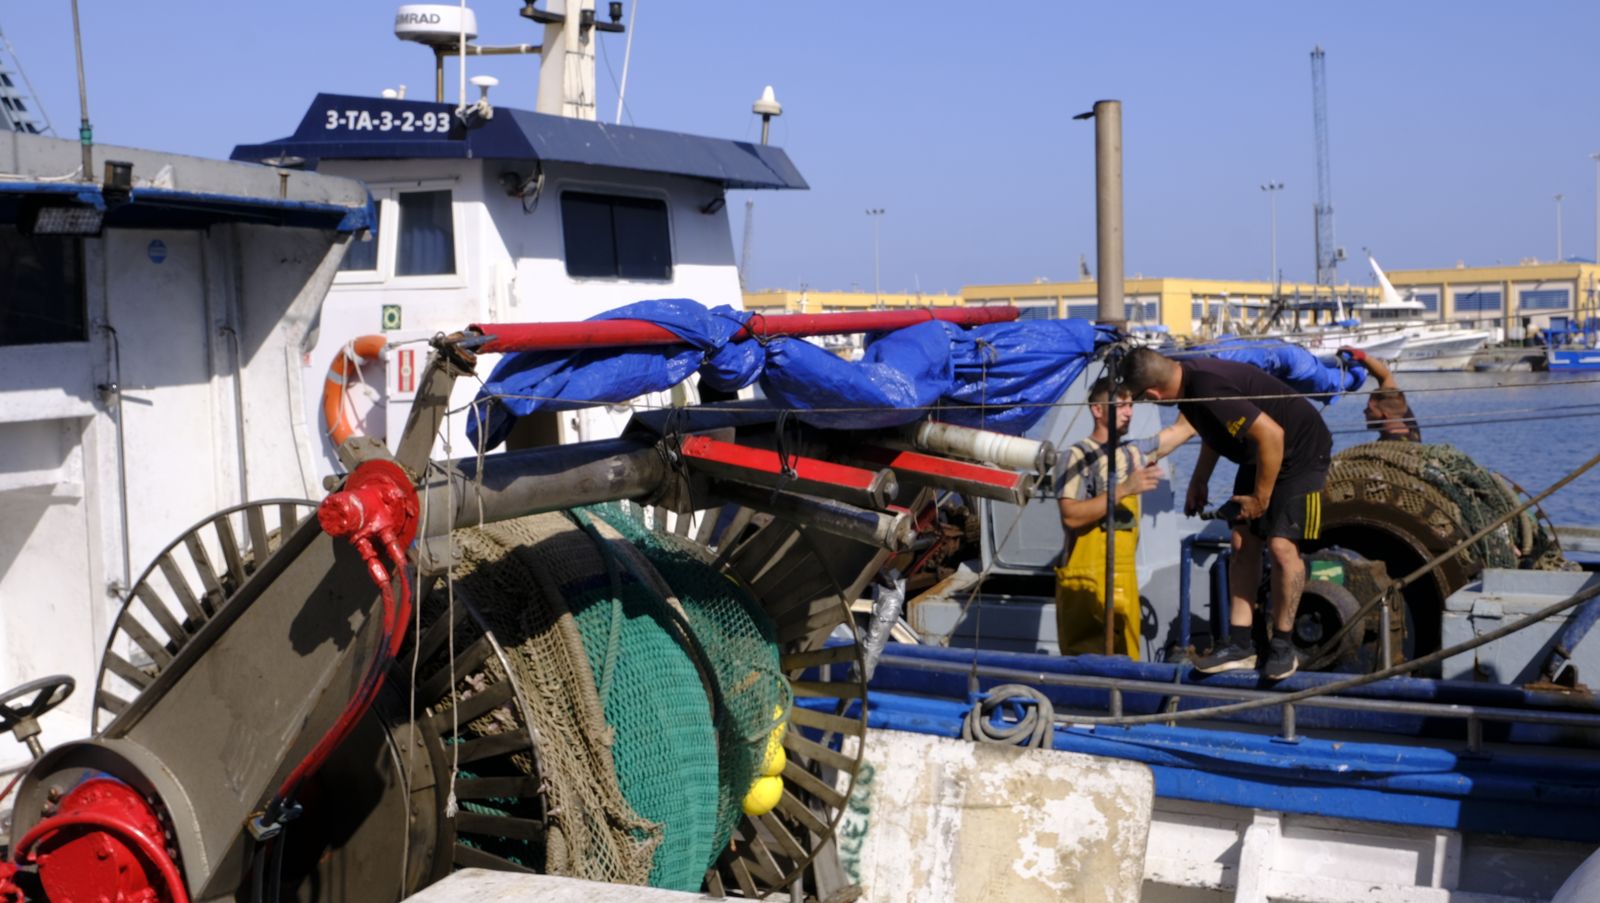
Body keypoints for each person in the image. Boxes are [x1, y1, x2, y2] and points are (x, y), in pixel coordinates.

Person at [1119, 348, 1333, 678]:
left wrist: (1261, 499)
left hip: (1300, 451)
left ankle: (1283, 645)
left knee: (1280, 546)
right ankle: (1240, 644)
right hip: (1259, 453)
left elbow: (1272, 435)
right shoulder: (1190, 384)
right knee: (1241, 541)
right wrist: (1199, 480)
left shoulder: (1206, 387)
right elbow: (1216, 430)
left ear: (1152, 394)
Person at [1055, 376, 1192, 659]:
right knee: (1085, 660)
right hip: (1084, 579)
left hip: (1124, 576)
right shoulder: (1076, 456)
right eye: (1123, 405)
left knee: (1127, 658)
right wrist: (1124, 490)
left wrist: (1194, 382)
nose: (1130, 412)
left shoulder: (1133, 454)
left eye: (1132, 405)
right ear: (1097, 409)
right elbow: (1070, 516)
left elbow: (1182, 429)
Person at [1339, 346, 1421, 441]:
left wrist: (1364, 356)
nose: (1364, 412)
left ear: (1385, 415)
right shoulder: (1410, 428)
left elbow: (1386, 377)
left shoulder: (1387, 448)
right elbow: (1386, 377)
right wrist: (1362, 356)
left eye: (1370, 409)